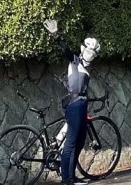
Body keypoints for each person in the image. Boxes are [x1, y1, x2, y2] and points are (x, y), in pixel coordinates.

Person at [43, 19, 101, 185]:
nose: (91, 53)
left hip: (81, 104)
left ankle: (72, 176)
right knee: (71, 141)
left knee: (81, 139)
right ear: (83, 49)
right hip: (75, 104)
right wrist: (56, 35)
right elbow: (65, 50)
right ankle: (67, 179)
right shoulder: (75, 60)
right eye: (89, 50)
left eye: (94, 52)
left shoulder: (88, 65)